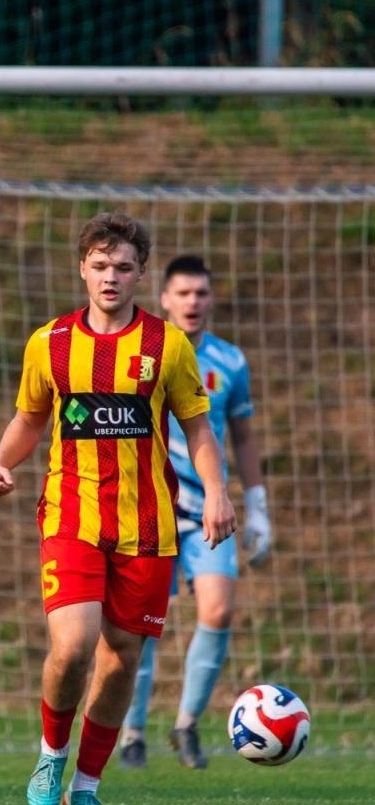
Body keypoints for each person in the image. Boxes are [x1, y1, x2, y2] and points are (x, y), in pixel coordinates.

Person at [0, 212, 236, 805]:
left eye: (123, 267)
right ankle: (50, 756)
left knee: (121, 658)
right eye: (100, 266)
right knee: (71, 645)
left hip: (148, 523)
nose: (111, 277)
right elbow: (30, 417)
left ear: (140, 274)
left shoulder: (166, 345)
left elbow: (197, 425)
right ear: (82, 270)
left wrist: (221, 494)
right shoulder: (50, 343)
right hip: (71, 513)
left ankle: (88, 786)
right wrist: (0, 460)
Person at [119, 256, 271, 770]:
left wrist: (258, 507)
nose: (192, 302)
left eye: (201, 293)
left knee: (219, 609)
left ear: (210, 299)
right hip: (150, 506)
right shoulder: (143, 354)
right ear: (163, 298)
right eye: (182, 293)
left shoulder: (230, 361)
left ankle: (186, 725)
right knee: (141, 625)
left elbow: (244, 435)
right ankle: (132, 731)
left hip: (212, 508)